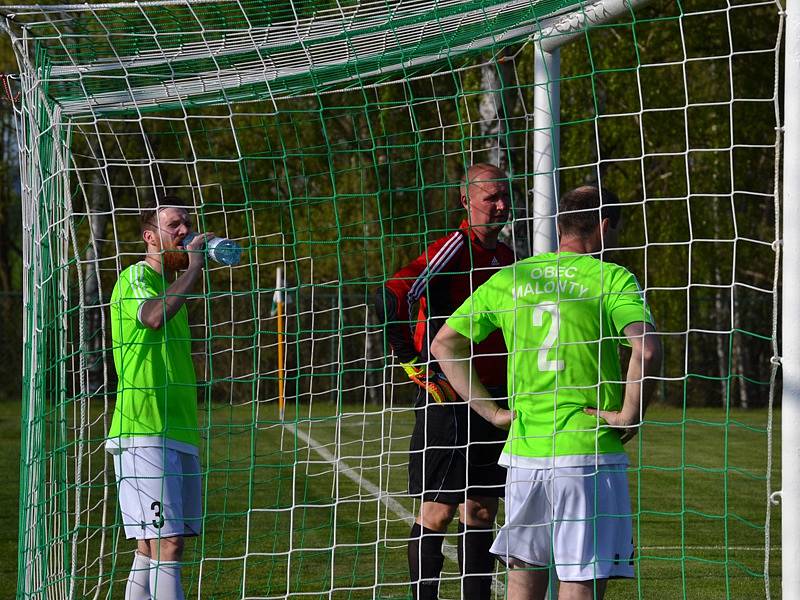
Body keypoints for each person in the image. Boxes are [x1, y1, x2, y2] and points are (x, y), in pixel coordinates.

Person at [431, 186, 662, 600]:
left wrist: (491, 412)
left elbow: (443, 343)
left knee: (524, 572)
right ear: (604, 227)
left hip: (524, 453)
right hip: (587, 452)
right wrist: (630, 414)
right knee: (579, 577)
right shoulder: (611, 277)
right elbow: (645, 349)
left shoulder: (512, 277)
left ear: (559, 225)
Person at [374, 163, 515, 600]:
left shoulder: (510, 258)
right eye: (490, 197)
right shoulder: (450, 250)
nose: (500, 205)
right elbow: (389, 295)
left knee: (482, 509)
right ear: (465, 200)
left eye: (504, 196)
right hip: (448, 400)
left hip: (494, 400)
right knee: (438, 510)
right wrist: (412, 363)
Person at [107, 197, 214, 600]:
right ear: (150, 236)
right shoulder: (137, 276)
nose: (185, 231)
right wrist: (197, 267)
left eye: (187, 223)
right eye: (175, 225)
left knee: (152, 545)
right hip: (143, 429)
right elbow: (152, 317)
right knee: (168, 543)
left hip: (178, 428)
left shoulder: (174, 289)